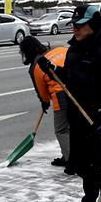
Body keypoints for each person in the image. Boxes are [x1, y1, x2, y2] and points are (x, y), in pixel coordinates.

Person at [36, 5, 101, 202]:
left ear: (94, 24)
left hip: (99, 119)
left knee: (91, 164)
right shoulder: (75, 49)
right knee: (76, 165)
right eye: (73, 25)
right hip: (77, 115)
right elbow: (71, 80)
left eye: (80, 25)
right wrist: (53, 70)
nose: (75, 29)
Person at [18, 36, 71, 169]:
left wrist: (44, 102)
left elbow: (42, 92)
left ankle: (71, 160)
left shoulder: (36, 67)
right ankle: (75, 156)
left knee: (62, 130)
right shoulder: (59, 49)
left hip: (61, 95)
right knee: (74, 125)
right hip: (79, 88)